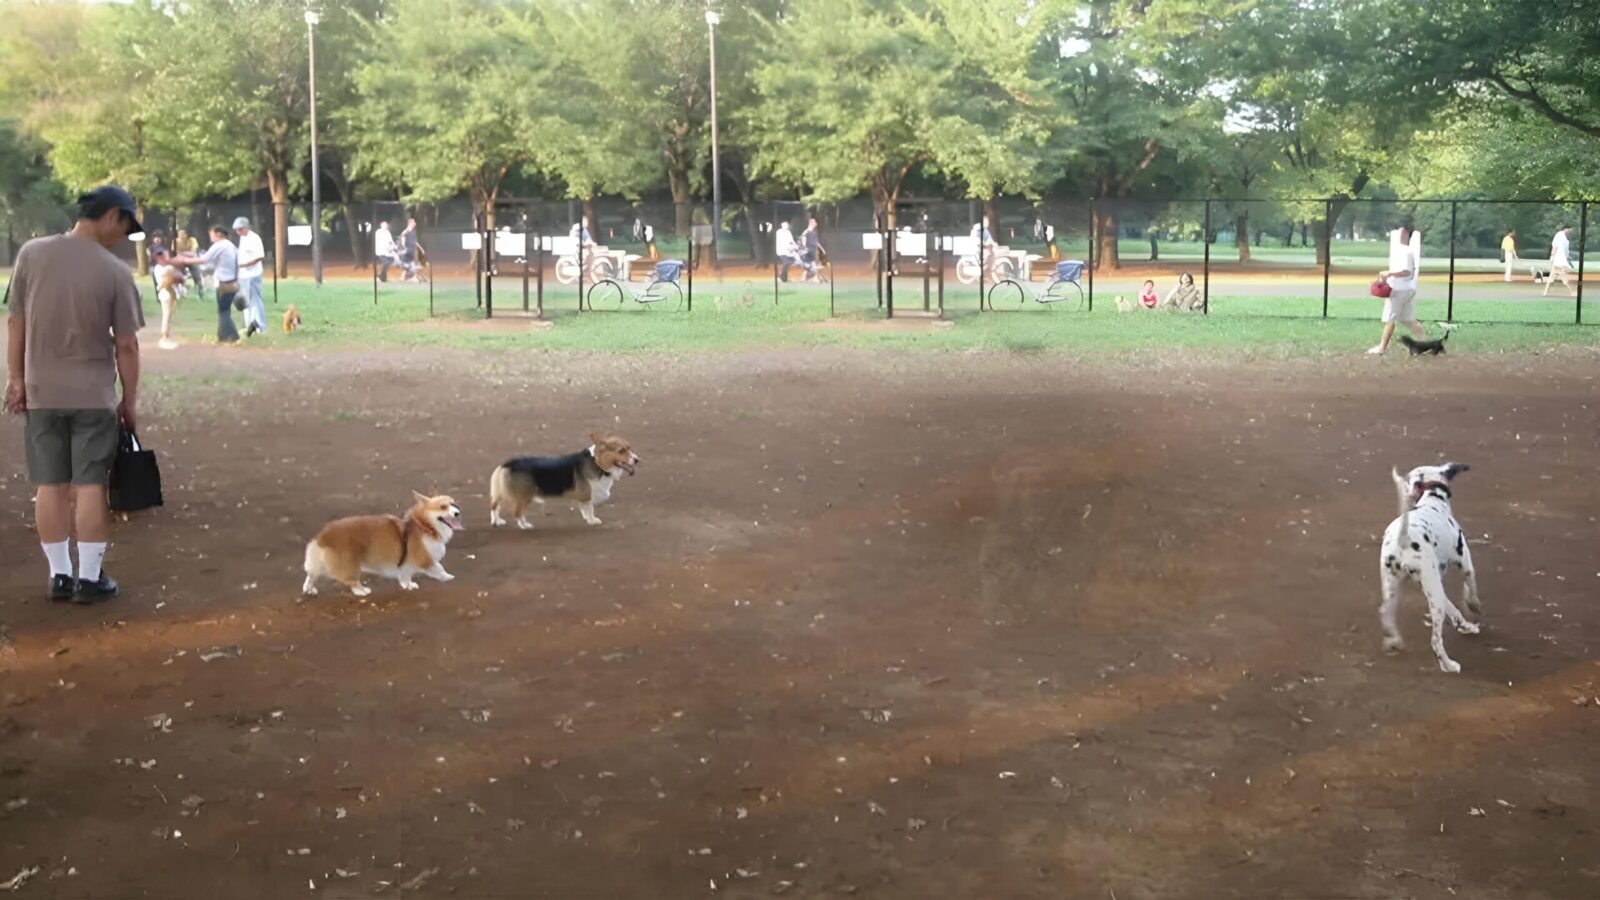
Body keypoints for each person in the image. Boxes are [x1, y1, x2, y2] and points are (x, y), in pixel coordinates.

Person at [3, 185, 145, 603]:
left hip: (41, 392)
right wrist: (129, 400)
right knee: (90, 485)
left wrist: (16, 378)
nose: (123, 236)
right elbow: (127, 345)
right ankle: (90, 577)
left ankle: (60, 575)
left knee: (49, 483)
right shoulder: (115, 271)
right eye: (125, 227)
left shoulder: (31, 254)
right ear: (111, 215)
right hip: (92, 396)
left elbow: (15, 322)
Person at [172, 226, 241, 344]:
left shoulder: (219, 245)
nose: (210, 237)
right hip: (233, 281)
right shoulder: (231, 246)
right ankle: (223, 335)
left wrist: (184, 260)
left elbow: (204, 259)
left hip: (224, 282)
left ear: (218, 234)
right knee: (225, 310)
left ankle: (231, 336)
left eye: (211, 234)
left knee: (223, 311)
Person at [1367, 225, 1427, 355]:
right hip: (1408, 289)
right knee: (1408, 320)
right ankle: (1424, 344)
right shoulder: (1403, 251)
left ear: (1406, 235)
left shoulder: (1405, 251)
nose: (1400, 235)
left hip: (1399, 290)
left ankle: (1381, 348)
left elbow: (1406, 271)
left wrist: (1389, 274)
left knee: (1391, 318)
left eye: (1402, 232)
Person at [233, 216, 267, 336]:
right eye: (236, 230)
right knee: (246, 301)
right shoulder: (243, 239)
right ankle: (249, 325)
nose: (238, 232)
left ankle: (260, 326)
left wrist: (245, 265)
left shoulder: (254, 238)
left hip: (253, 274)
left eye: (240, 229)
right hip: (244, 275)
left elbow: (259, 256)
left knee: (255, 300)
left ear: (246, 227)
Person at [151, 248, 186, 350]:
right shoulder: (159, 268)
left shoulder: (169, 267)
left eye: (164, 255)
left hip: (172, 292)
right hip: (165, 292)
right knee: (166, 315)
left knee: (169, 315)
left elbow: (180, 278)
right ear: (158, 258)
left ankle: (167, 335)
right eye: (161, 256)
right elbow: (166, 282)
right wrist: (174, 278)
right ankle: (164, 336)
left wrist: (177, 279)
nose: (164, 258)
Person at [1544, 225, 1573, 296]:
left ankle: (1545, 292)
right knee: (1562, 275)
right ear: (1566, 229)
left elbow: (1566, 250)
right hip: (1558, 260)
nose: (1569, 232)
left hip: (1560, 260)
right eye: (1569, 230)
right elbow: (1555, 245)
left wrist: (1567, 257)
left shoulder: (1566, 240)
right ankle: (1572, 291)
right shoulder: (1559, 234)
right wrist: (1553, 255)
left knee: (1553, 276)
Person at [175, 228, 204, 297]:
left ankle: (200, 293)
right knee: (177, 274)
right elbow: (176, 254)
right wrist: (186, 254)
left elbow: (193, 253)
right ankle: (180, 292)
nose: (180, 236)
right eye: (179, 234)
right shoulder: (175, 241)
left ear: (186, 234)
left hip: (191, 260)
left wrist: (183, 254)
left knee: (197, 274)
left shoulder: (192, 240)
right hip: (181, 261)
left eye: (182, 234)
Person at [801, 217, 825, 282]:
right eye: (814, 222)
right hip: (809, 250)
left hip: (813, 250)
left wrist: (821, 248)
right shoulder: (807, 231)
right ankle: (816, 278)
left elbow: (816, 242)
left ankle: (806, 277)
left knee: (812, 264)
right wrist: (805, 247)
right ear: (811, 223)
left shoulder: (813, 232)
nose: (816, 223)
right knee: (813, 264)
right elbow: (803, 238)